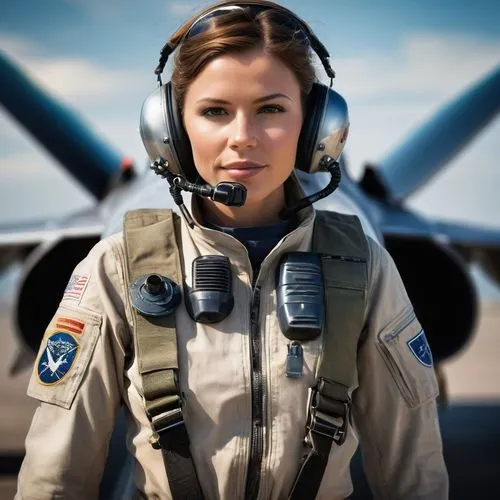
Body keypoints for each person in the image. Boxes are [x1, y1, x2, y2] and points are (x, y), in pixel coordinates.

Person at [15, 1, 449, 499]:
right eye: (214, 111)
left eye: (271, 109)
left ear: (314, 127)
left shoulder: (363, 268)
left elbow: (416, 472)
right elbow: (55, 478)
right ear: (172, 130)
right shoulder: (119, 266)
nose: (242, 139)